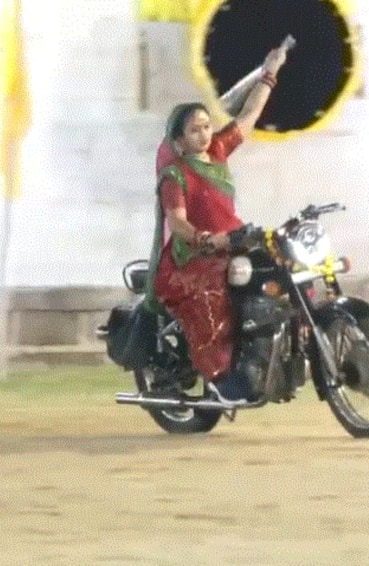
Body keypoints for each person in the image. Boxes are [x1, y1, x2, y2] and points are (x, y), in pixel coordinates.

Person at [146, 46, 289, 406]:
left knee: (282, 265)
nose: (204, 134)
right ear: (178, 140)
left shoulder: (220, 152)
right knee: (214, 296)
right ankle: (221, 378)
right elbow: (177, 223)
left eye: (206, 126)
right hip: (192, 258)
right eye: (194, 131)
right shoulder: (174, 175)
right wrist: (209, 240)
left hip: (234, 244)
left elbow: (250, 113)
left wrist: (270, 72)